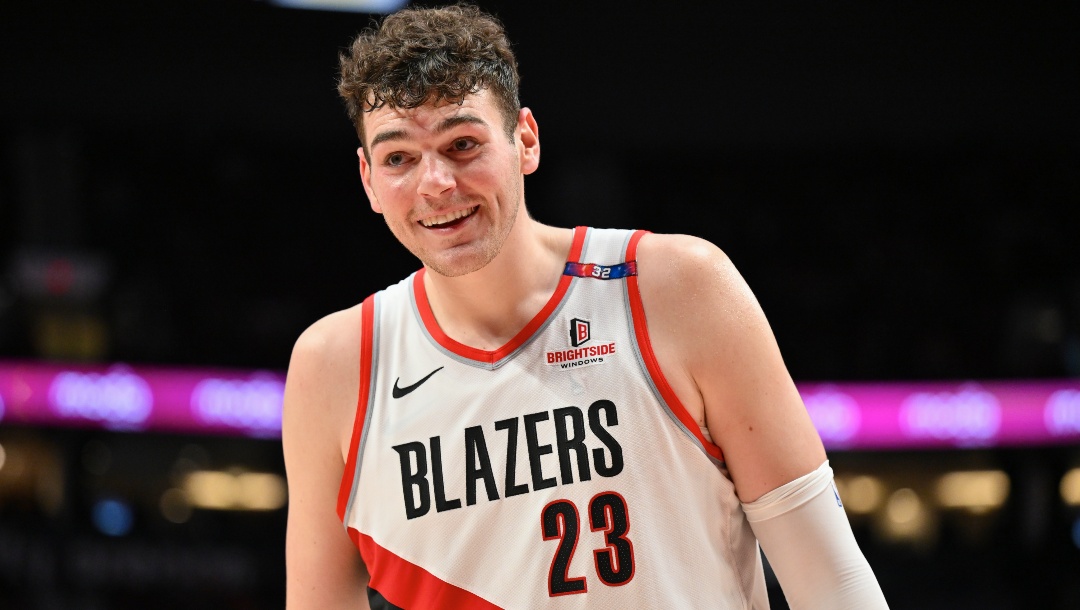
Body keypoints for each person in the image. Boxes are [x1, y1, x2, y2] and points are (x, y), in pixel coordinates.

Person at [282, 4, 889, 609]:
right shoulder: (335, 364)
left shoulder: (675, 288)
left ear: (525, 140)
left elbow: (830, 581)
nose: (435, 182)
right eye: (399, 159)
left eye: (463, 143)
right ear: (366, 179)